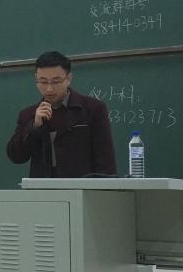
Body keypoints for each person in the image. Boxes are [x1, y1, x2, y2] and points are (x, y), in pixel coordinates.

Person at [6, 50, 116, 178]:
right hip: (43, 187)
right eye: (43, 82)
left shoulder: (93, 109)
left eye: (56, 82)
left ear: (68, 79)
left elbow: (105, 159)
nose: (49, 89)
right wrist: (34, 126)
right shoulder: (29, 114)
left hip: (82, 186)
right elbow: (16, 156)